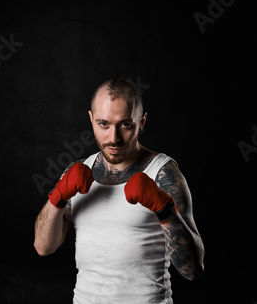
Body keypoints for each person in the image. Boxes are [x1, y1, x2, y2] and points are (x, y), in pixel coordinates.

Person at [34, 77, 204, 303]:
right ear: (91, 119)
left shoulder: (163, 174)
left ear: (141, 122)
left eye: (125, 124)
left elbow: (192, 270)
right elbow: (43, 247)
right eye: (103, 124)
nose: (113, 138)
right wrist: (58, 195)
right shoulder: (78, 172)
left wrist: (163, 208)